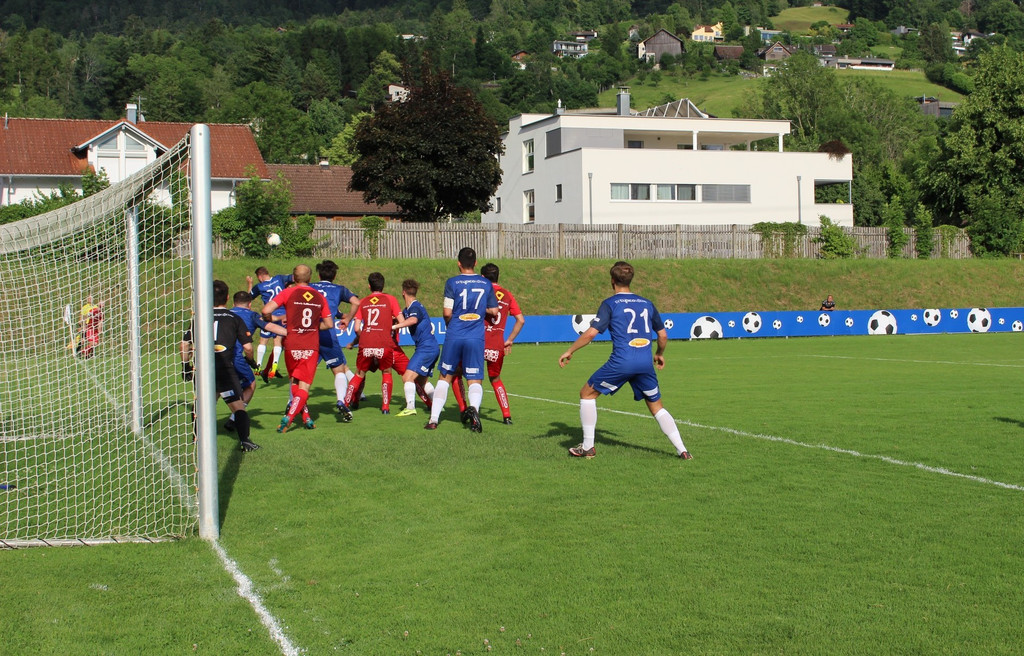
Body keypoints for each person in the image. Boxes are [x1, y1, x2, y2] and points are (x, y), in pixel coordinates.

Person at [558, 261, 692, 460]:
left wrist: (570, 350)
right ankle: (683, 450)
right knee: (656, 406)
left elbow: (591, 333)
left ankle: (587, 447)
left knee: (587, 394)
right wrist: (659, 353)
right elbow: (662, 335)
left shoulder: (610, 304)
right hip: (645, 364)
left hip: (621, 362)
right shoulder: (647, 303)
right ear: (631, 280)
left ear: (612, 280)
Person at [180, 280, 262, 452]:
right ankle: (245, 441)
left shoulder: (199, 318)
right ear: (226, 297)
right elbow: (247, 347)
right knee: (237, 406)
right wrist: (250, 360)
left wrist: (185, 366)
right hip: (225, 368)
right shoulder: (234, 318)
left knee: (201, 404)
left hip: (203, 369)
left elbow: (184, 345)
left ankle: (196, 438)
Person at [424, 247, 498, 432]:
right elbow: (495, 311)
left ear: (458, 263)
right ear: (475, 263)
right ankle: (474, 413)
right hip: (475, 336)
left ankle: (433, 420)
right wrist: (480, 311)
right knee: (474, 379)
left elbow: (447, 312)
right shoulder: (485, 283)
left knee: (445, 377)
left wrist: (453, 323)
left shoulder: (452, 283)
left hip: (455, 334)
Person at [260, 264, 333, 433]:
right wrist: (314, 326)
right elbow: (329, 324)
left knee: (294, 380)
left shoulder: (288, 292)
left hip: (292, 343)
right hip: (310, 344)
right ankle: (288, 418)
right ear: (310, 278)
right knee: (305, 386)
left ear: (293, 278)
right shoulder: (319, 296)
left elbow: (265, 310)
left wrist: (272, 318)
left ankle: (306, 417)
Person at [343, 272, 402, 414]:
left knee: (359, 374)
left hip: (366, 342)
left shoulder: (362, 301)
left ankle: (346, 402)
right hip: (384, 342)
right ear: (383, 285)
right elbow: (401, 320)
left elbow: (357, 328)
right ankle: (385, 407)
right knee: (386, 372)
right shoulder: (391, 299)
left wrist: (364, 338)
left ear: (369, 286)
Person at [310, 259, 359, 422]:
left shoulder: (309, 287)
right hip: (328, 333)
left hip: (309, 333)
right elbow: (356, 302)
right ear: (335, 275)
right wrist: (349, 319)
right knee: (338, 370)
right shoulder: (339, 289)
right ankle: (340, 400)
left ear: (318, 274)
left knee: (304, 372)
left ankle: (292, 402)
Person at [392, 279, 440, 417]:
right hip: (429, 347)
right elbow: (402, 318)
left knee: (407, 377)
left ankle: (410, 407)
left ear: (403, 293)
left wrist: (393, 327)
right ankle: (438, 404)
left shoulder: (415, 307)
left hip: (426, 348)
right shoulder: (408, 309)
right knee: (421, 380)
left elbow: (412, 320)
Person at [247, 267, 293, 381]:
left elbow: (247, 297)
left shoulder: (260, 286)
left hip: (269, 315)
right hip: (283, 314)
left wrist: (250, 284)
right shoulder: (280, 278)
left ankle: (258, 365)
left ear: (259, 276)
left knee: (263, 340)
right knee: (278, 340)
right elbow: (293, 277)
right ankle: (274, 365)